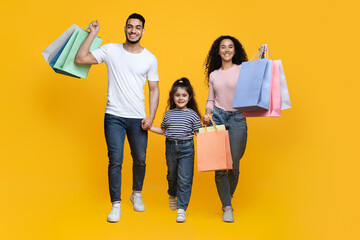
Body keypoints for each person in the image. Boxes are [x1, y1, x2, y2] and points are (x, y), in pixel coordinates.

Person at [75, 13, 159, 223]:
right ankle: (116, 205)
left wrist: (151, 116)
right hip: (114, 115)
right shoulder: (111, 50)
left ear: (143, 31)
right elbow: (80, 58)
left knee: (140, 158)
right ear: (124, 28)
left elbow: (154, 89)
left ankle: (136, 193)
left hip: (138, 117)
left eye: (137, 27)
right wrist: (93, 34)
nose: (133, 30)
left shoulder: (150, 58)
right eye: (130, 27)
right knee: (115, 160)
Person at [203, 36, 251, 222]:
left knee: (234, 164)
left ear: (235, 50)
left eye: (230, 47)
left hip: (238, 117)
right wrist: (208, 112)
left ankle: (227, 196)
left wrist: (263, 54)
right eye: (223, 47)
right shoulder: (213, 75)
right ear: (218, 51)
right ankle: (227, 206)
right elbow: (210, 100)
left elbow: (260, 74)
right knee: (220, 166)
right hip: (219, 117)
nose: (227, 50)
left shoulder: (242, 70)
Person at [149, 78, 202, 223]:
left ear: (189, 97)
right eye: (177, 95)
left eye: (184, 95)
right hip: (171, 147)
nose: (180, 98)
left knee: (185, 179)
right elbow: (164, 130)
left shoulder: (192, 115)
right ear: (173, 97)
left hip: (187, 149)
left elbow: (200, 133)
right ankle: (172, 194)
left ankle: (181, 209)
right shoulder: (169, 114)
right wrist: (149, 127)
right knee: (172, 176)